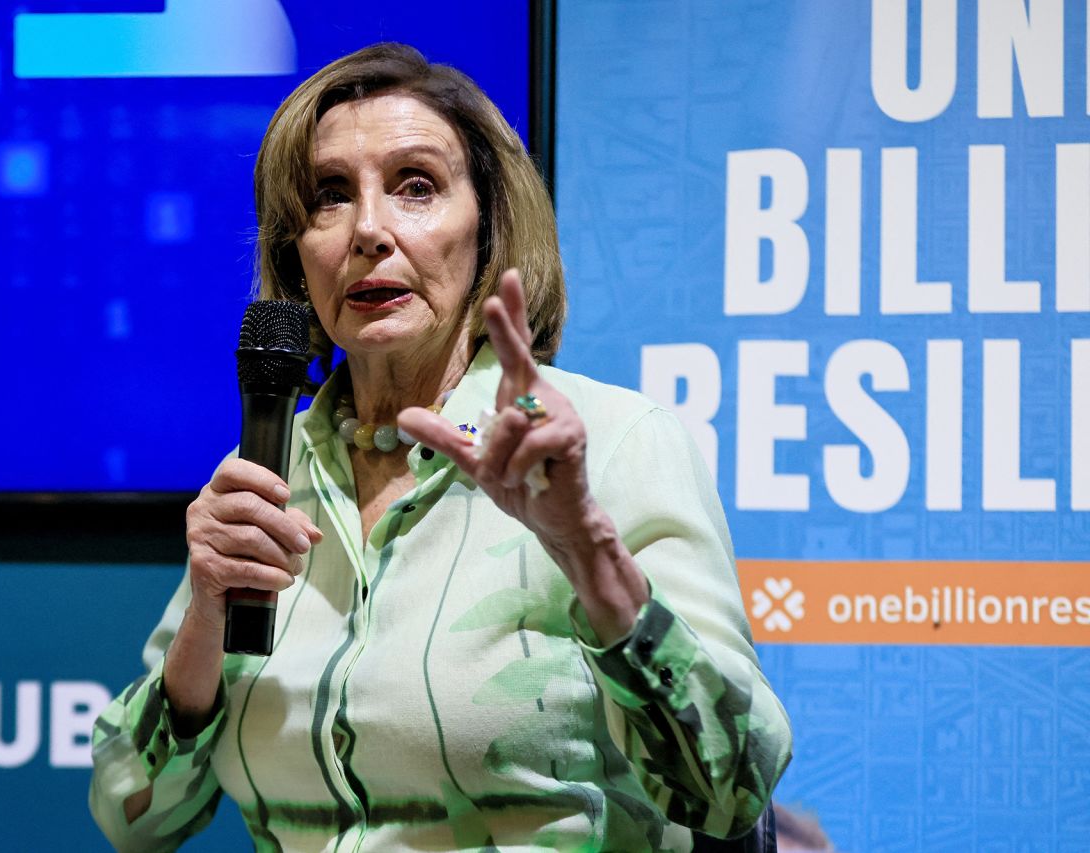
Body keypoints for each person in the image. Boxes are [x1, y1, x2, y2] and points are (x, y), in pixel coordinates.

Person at [89, 43, 792, 852]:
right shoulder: (269, 477)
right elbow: (131, 811)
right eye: (329, 197)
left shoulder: (615, 443)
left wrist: (586, 548)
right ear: (296, 251)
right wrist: (207, 615)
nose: (369, 230)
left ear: (489, 227)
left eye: (416, 186)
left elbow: (732, 786)